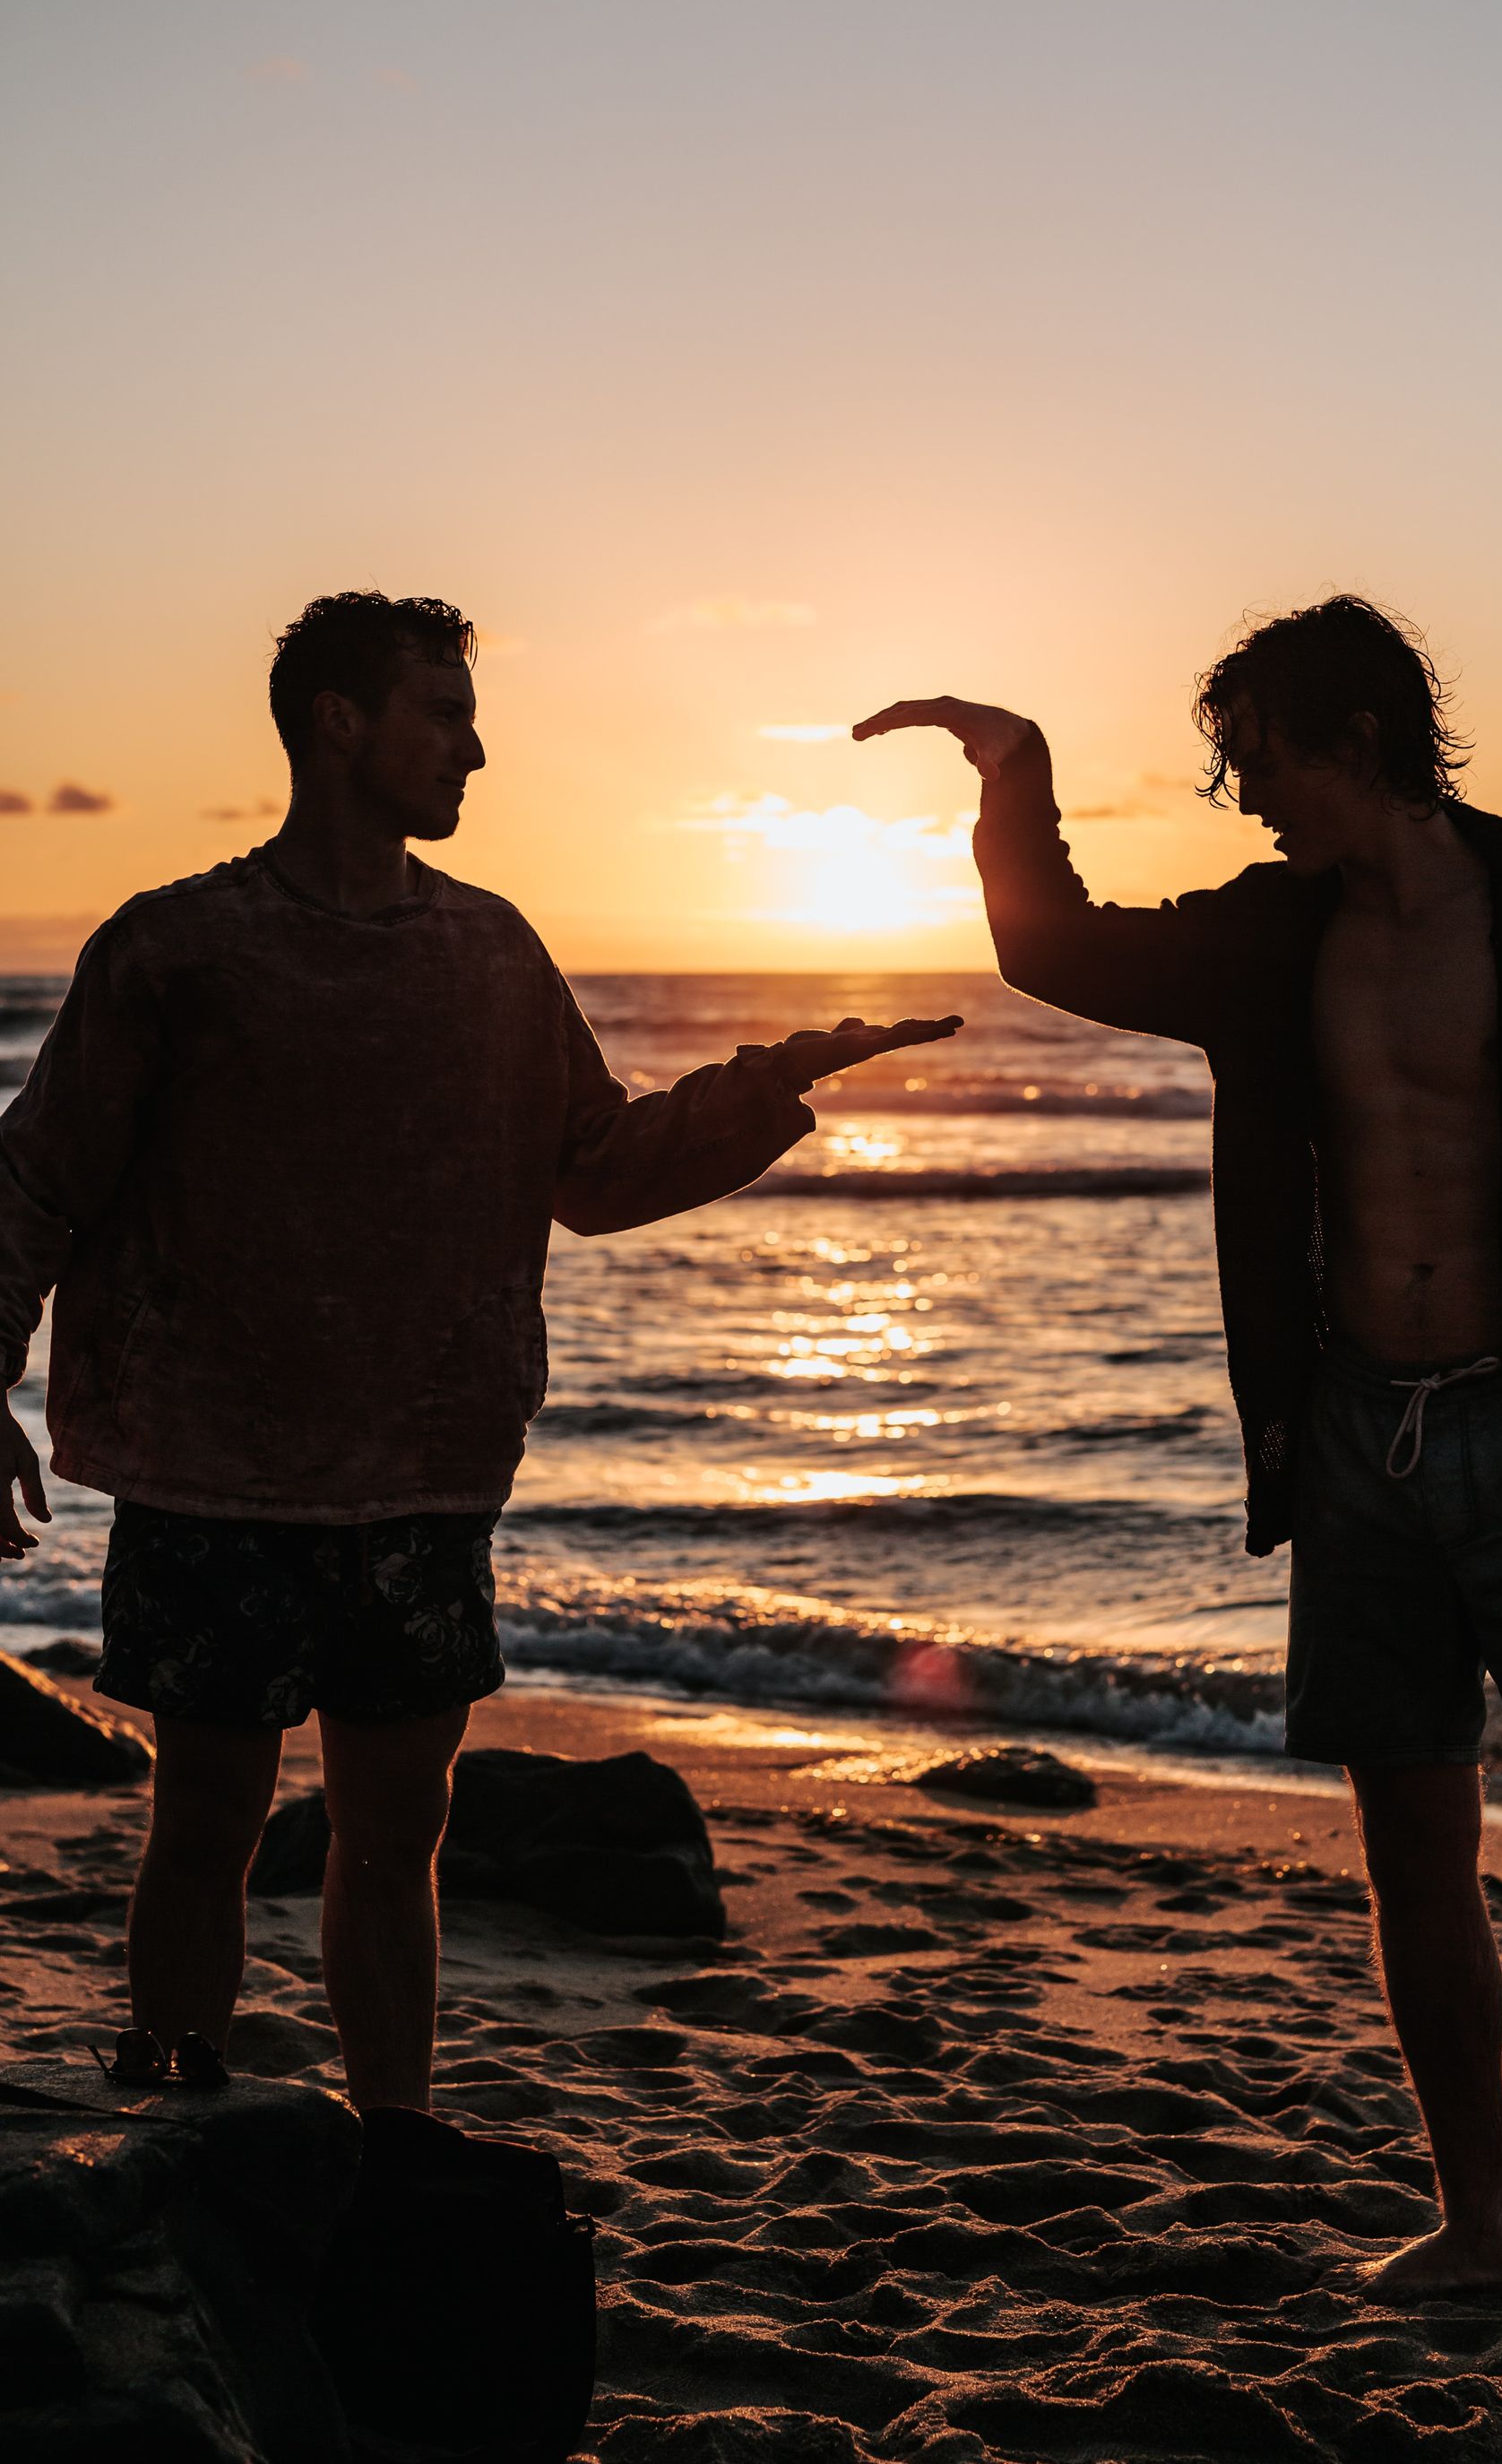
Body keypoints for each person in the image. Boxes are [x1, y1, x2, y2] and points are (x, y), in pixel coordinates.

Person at [854, 595, 1502, 2417]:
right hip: (1358, 1440)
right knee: (1411, 1851)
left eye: (1263, 759)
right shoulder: (1272, 934)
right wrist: (1013, 771)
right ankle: (1481, 2225)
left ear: (1356, 737)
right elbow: (1053, 946)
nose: (1249, 796)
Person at [0, 589, 957, 2112]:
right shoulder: (178, 947)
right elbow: (37, 1176)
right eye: (443, 713)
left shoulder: (492, 953)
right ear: (339, 723)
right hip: (212, 1476)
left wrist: (778, 1080)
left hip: (426, 1475)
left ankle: (394, 2141)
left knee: (399, 1841)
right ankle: (175, 2098)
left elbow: (594, 1167)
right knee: (206, 1824)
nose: (476, 749)